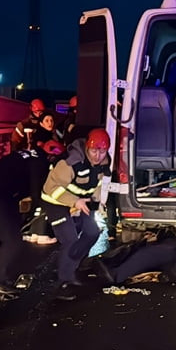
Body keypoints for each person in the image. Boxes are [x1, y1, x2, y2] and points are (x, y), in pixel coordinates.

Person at [0, 139, 62, 301]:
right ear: (52, 157)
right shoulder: (40, 162)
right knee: (12, 239)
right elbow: (37, 194)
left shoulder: (29, 155)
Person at [39, 128, 111, 301]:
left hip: (81, 200)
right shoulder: (71, 162)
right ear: (87, 147)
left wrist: (98, 203)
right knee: (69, 240)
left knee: (93, 232)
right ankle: (62, 282)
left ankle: (72, 267)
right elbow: (50, 188)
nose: (98, 156)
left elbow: (99, 183)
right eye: (94, 151)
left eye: (102, 151)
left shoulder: (104, 161)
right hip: (55, 201)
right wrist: (74, 202)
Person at [94, 232, 176, 285]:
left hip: (168, 252)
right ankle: (115, 271)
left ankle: (116, 274)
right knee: (142, 255)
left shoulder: (175, 244)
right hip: (166, 259)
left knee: (146, 255)